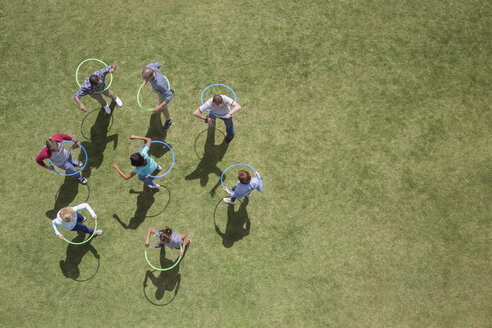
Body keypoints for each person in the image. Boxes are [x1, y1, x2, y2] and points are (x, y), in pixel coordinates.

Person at [142, 62, 175, 131]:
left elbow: (170, 96)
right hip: (163, 83)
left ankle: (168, 121)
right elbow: (158, 64)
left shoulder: (159, 83)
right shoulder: (149, 66)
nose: (145, 80)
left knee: (163, 108)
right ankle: (168, 89)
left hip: (162, 91)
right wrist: (147, 80)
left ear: (151, 76)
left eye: (147, 79)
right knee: (166, 89)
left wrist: (159, 107)